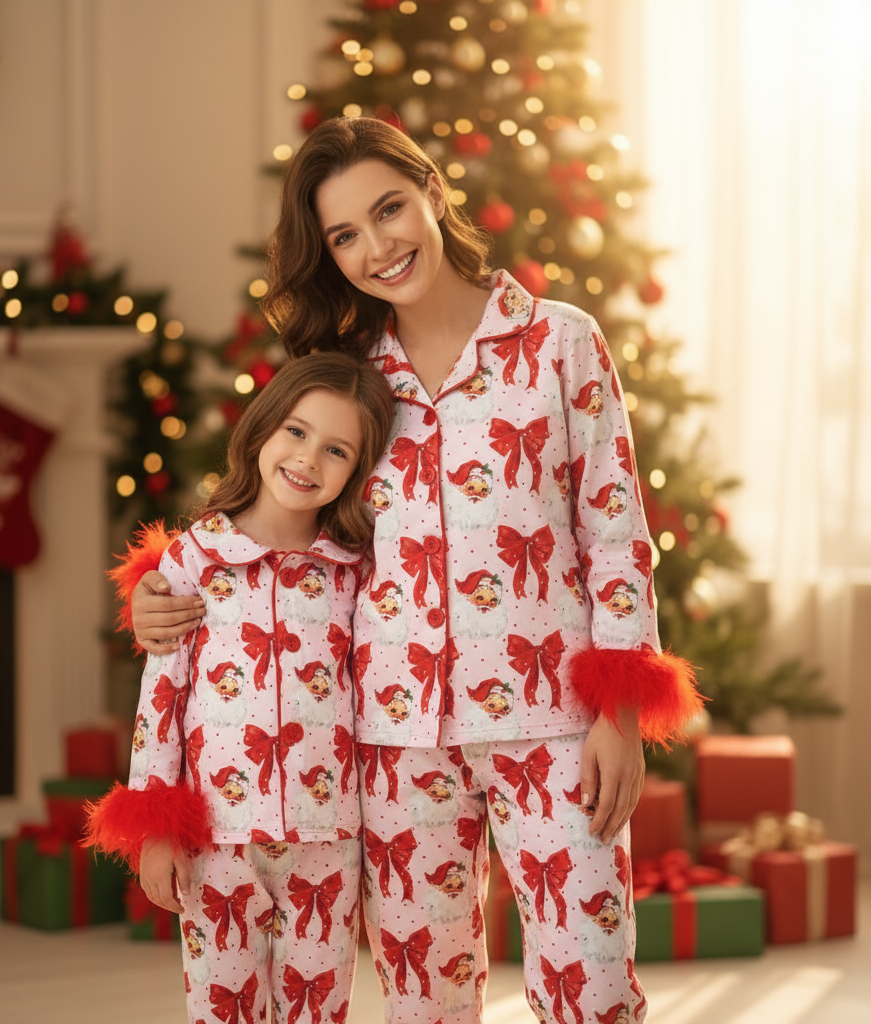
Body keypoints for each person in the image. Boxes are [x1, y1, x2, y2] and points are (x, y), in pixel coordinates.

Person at [126, 118, 703, 1024]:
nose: (375, 247)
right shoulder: (352, 381)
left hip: (553, 723)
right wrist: (165, 594)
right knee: (424, 1004)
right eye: (344, 236)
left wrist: (621, 715)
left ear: (432, 192)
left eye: (387, 210)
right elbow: (275, 531)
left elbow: (615, 529)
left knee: (591, 988)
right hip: (392, 745)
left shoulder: (559, 342)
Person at [86, 351, 395, 1024]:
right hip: (218, 844)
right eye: (296, 431)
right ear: (261, 429)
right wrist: (156, 830)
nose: (308, 459)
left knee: (319, 1012)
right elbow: (159, 705)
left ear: (357, 471)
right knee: (222, 1010)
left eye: (336, 450)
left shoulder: (354, 570)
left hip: (328, 840)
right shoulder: (192, 561)